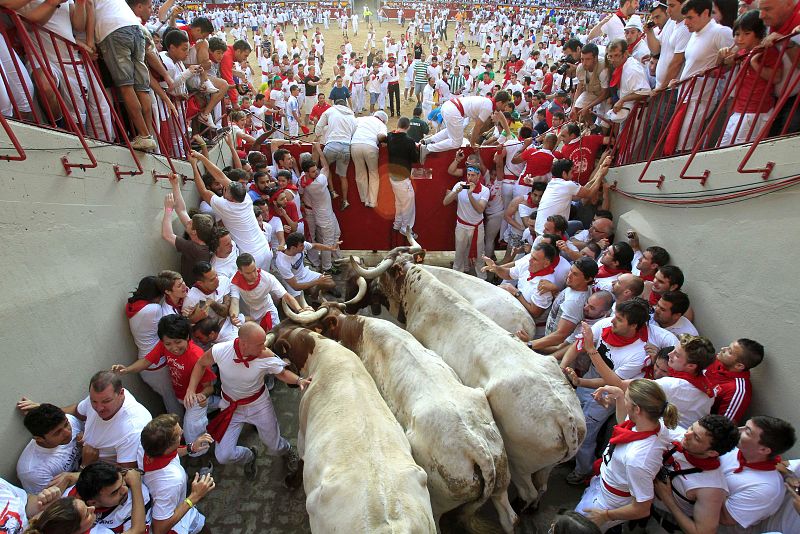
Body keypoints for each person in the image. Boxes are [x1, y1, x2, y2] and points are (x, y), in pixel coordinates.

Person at [562, 299, 678, 483]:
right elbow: (577, 346)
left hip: (610, 392)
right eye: (615, 315)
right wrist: (561, 370)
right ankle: (569, 455)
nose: (613, 321)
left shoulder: (639, 353)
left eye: (620, 319)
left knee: (586, 430)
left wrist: (582, 377)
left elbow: (612, 381)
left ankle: (583, 470)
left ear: (633, 326)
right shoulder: (606, 324)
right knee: (572, 419)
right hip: (587, 380)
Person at [185, 322, 309, 485]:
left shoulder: (265, 355)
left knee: (274, 445)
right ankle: (250, 456)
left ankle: (287, 451)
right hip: (230, 407)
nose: (264, 347)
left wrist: (299, 380)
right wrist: (190, 389)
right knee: (223, 456)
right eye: (259, 344)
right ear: (244, 343)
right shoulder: (221, 350)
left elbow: (283, 373)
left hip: (258, 406)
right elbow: (201, 363)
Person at [575, 379, 676, 531]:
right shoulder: (652, 423)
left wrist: (606, 515)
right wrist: (620, 396)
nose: (624, 402)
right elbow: (625, 423)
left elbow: (642, 508)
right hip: (603, 486)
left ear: (637, 409)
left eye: (628, 399)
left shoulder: (638, 460)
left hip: (607, 503)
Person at [111, 314, 217, 448]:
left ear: (188, 338)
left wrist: (202, 396)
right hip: (179, 395)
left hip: (196, 400)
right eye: (168, 344)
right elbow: (146, 361)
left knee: (192, 432)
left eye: (178, 342)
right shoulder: (163, 345)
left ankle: (200, 456)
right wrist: (127, 370)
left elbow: (209, 388)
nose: (173, 347)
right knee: (182, 423)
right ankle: (220, 403)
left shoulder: (197, 356)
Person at [17, 371, 151, 469]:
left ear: (121, 393)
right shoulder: (101, 397)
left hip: (100, 470)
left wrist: (85, 466)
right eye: (93, 401)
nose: (98, 408)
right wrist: (44, 409)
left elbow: (127, 472)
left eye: (106, 401)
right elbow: (77, 410)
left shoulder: (132, 429)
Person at [652, 415, 740, 534]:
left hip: (666, 520)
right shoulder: (679, 437)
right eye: (692, 428)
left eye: (696, 438)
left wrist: (668, 499)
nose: (686, 434)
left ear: (712, 452)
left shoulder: (711, 488)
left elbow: (702, 532)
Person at [191, 151, 272, 271]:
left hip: (251, 257)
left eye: (227, 190)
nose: (225, 187)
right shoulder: (245, 197)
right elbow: (221, 176)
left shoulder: (225, 206)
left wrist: (193, 165)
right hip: (265, 250)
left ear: (232, 198)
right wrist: (201, 157)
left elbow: (203, 191)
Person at [139, 415, 216, 534]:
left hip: (182, 510)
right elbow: (159, 529)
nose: (183, 432)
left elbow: (171, 453)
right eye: (179, 435)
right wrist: (194, 497)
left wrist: (191, 448)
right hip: (177, 526)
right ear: (168, 446)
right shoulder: (171, 481)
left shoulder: (146, 448)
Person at [718, 416, 796, 531]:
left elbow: (725, 519)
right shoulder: (734, 448)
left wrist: (710, 476)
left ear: (764, 450)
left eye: (747, 431)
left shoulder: (765, 489)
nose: (738, 429)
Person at [125, 276, 182, 416]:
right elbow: (167, 329)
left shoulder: (132, 305)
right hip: (156, 364)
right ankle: (178, 429)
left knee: (168, 397)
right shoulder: (154, 309)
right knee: (172, 399)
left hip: (146, 364)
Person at [529, 258, 599, 353]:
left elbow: (560, 336)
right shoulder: (577, 287)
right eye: (571, 270)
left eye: (575, 274)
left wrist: (530, 344)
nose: (569, 275)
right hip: (547, 344)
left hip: (552, 353)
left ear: (588, 279)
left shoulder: (574, 302)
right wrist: (554, 290)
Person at [58, 462, 149, 534]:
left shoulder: (138, 500)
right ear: (93, 503)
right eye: (115, 492)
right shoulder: (71, 501)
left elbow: (138, 531)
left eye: (122, 482)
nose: (124, 490)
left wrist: (136, 486)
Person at [229, 253, 307, 332]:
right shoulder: (235, 281)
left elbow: (286, 296)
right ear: (240, 271)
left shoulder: (267, 278)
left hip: (268, 312)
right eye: (248, 273)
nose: (253, 275)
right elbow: (234, 302)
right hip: (249, 318)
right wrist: (234, 317)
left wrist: (299, 310)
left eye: (254, 270)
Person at [483, 243, 562, 321]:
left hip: (529, 326)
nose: (530, 260)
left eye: (535, 259)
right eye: (531, 256)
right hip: (516, 313)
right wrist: (496, 268)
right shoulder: (529, 264)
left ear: (546, 263)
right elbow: (509, 274)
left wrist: (516, 292)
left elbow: (535, 314)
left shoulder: (545, 284)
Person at [420, 91, 512, 156]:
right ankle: (428, 149)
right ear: (499, 102)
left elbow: (502, 117)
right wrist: (472, 143)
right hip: (454, 110)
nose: (504, 108)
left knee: (451, 131)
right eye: (504, 105)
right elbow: (477, 127)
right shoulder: (488, 107)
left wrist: (508, 134)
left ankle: (429, 141)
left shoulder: (488, 102)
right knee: (456, 142)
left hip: (449, 106)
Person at [534, 157, 609, 236]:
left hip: (541, 228)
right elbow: (589, 193)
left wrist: (601, 169)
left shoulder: (554, 183)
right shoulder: (567, 185)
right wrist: (601, 175)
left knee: (577, 225)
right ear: (564, 173)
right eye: (571, 172)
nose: (573, 175)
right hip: (549, 232)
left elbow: (579, 195)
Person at [17, 404, 82, 494]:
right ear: (39, 439)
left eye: (66, 424)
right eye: (57, 432)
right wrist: (84, 468)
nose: (67, 433)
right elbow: (52, 505)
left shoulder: (70, 420)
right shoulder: (33, 471)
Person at [299, 144, 341, 273]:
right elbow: (326, 167)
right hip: (324, 216)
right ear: (307, 172)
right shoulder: (319, 182)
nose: (316, 172)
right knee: (327, 243)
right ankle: (327, 267)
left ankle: (336, 259)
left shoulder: (302, 178)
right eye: (313, 171)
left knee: (336, 234)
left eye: (315, 170)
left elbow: (301, 192)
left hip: (322, 213)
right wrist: (319, 150)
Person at [443, 164, 490, 279]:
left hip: (477, 227)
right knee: (459, 254)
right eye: (468, 175)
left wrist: (470, 195)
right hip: (462, 226)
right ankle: (457, 277)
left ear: (478, 176)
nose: (470, 178)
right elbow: (445, 202)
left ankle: (482, 279)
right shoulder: (460, 185)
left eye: (473, 175)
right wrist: (455, 192)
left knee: (480, 255)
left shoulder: (485, 190)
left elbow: (480, 209)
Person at [704, 338, 764, 423]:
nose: (722, 349)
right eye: (728, 347)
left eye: (730, 351)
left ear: (739, 366)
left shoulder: (738, 390)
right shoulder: (717, 360)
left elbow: (723, 426)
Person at [275, 232, 339, 306]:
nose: (303, 247)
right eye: (301, 246)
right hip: (293, 282)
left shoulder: (300, 245)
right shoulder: (282, 262)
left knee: (331, 283)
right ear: (293, 248)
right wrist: (317, 282)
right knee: (300, 307)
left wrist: (330, 248)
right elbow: (295, 287)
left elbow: (315, 246)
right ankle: (310, 289)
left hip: (305, 273)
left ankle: (314, 295)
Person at [314, 98, 357, 210]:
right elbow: (353, 132)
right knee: (343, 176)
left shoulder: (330, 110)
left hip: (332, 144)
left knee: (325, 168)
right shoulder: (352, 116)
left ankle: (332, 191)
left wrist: (317, 136)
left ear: (335, 104)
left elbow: (319, 126)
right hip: (346, 147)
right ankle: (345, 200)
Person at [350, 111, 388, 208]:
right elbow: (382, 136)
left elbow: (351, 128)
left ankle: (365, 199)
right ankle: (372, 201)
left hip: (355, 144)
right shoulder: (381, 125)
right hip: (370, 146)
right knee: (373, 174)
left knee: (360, 173)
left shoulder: (361, 119)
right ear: (383, 120)